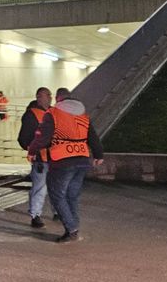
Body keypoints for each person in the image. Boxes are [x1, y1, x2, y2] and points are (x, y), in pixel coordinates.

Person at [28, 92, 104, 242]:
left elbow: (42, 137)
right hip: (82, 160)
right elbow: (93, 137)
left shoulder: (54, 113)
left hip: (62, 160)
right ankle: (74, 227)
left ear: (58, 100)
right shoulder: (83, 116)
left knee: (56, 194)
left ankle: (71, 229)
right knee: (72, 195)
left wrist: (32, 151)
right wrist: (98, 155)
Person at [17, 87, 52, 229]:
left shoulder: (52, 112)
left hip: (54, 156)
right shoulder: (32, 115)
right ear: (39, 97)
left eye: (50, 95)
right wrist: (32, 151)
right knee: (40, 187)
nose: (50, 98)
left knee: (52, 186)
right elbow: (23, 138)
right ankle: (35, 215)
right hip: (41, 157)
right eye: (47, 95)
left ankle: (56, 212)